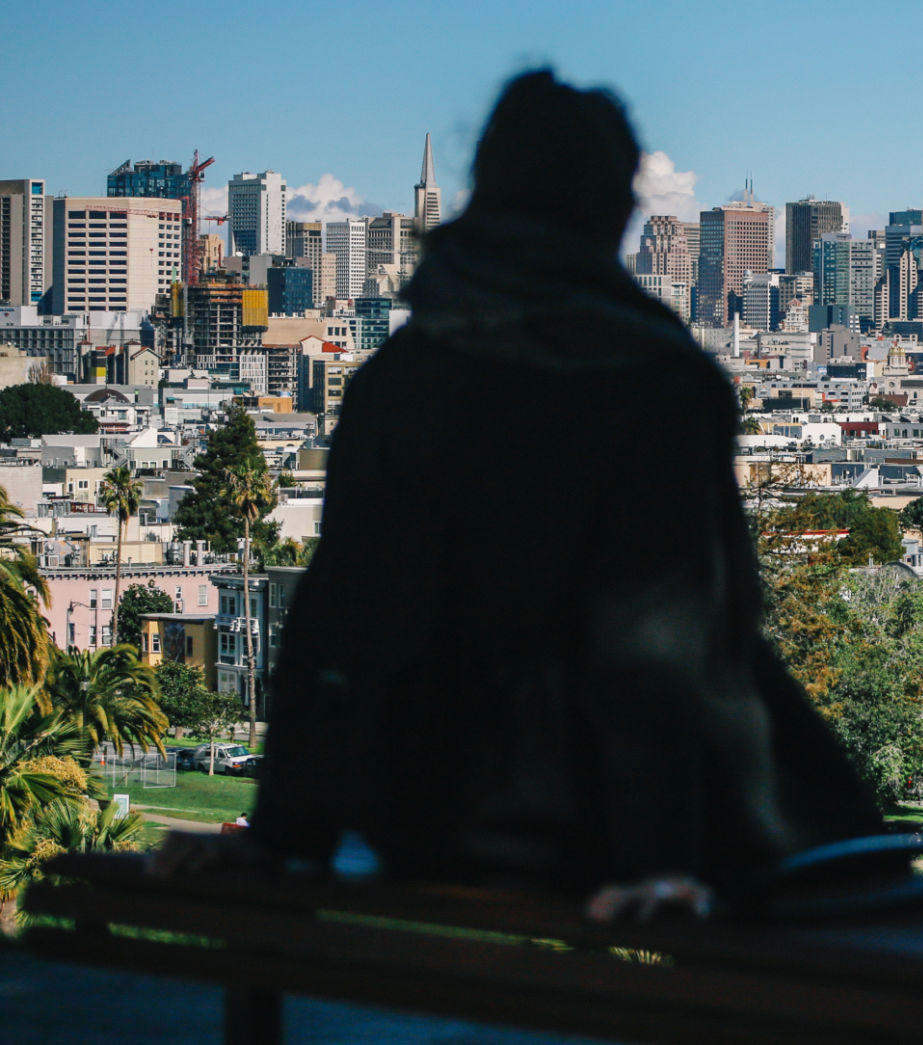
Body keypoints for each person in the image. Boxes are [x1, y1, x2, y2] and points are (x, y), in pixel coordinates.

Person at [245, 69, 882, 907]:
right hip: (585, 835)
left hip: (424, 815)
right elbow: (656, 648)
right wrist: (659, 855)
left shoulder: (396, 380)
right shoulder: (657, 382)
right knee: (867, 854)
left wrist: (280, 837)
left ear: (488, 193)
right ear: (614, 212)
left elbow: (335, 619)